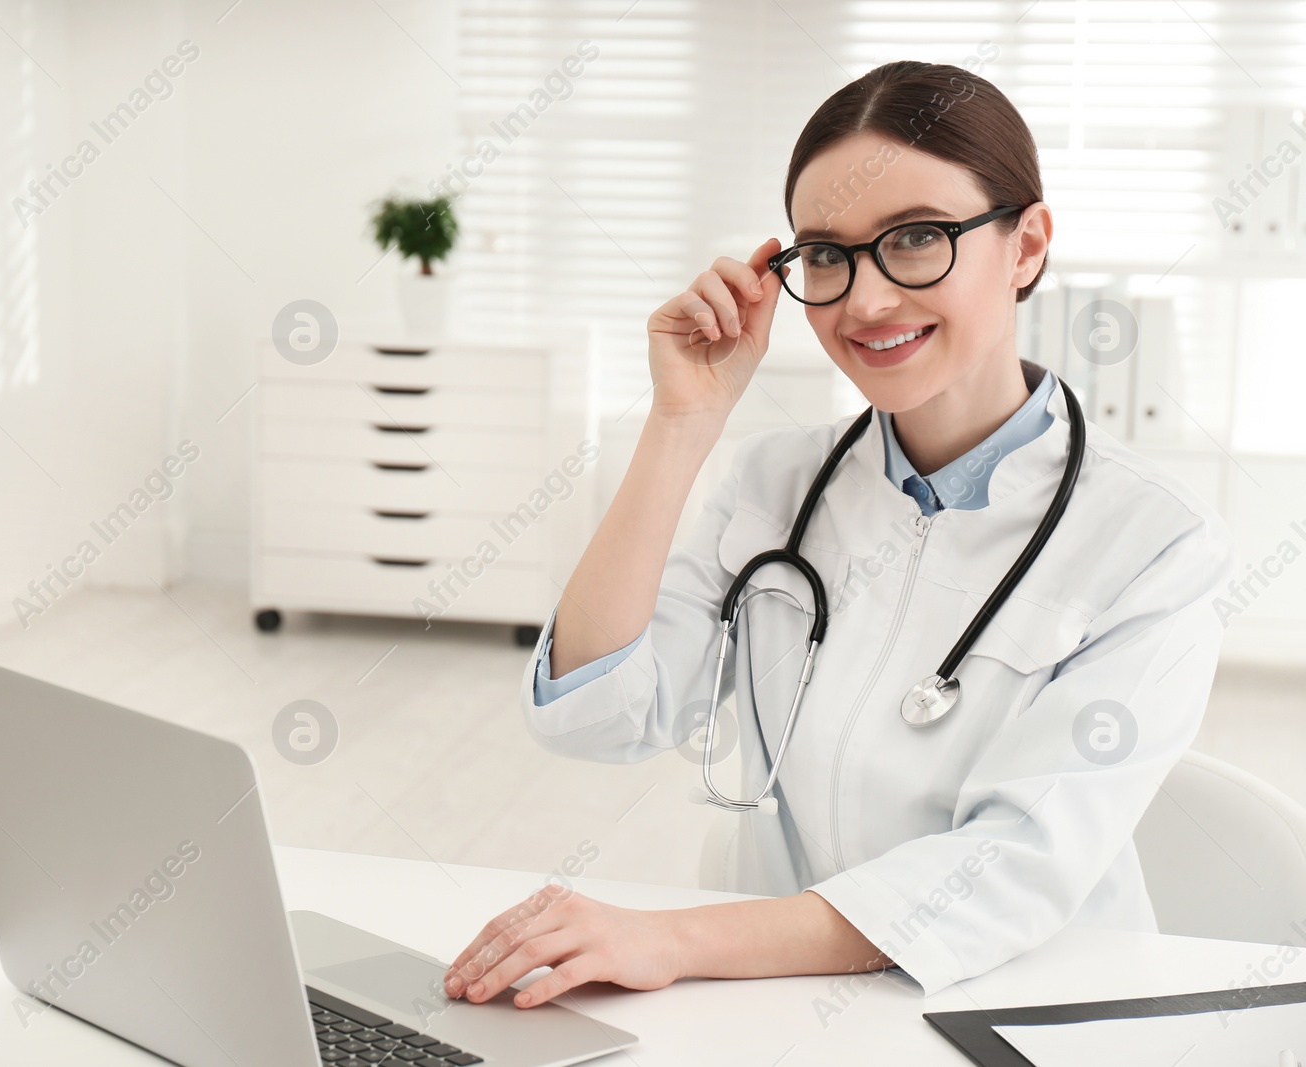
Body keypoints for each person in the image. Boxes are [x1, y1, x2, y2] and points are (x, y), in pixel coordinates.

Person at [443, 59, 1236, 1007]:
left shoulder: (1155, 543)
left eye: (915, 239)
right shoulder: (774, 483)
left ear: (1026, 246)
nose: (863, 302)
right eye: (826, 254)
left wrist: (673, 938)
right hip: (790, 1006)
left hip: (1031, 1015)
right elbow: (596, 717)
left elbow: (1009, 867)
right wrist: (681, 425)